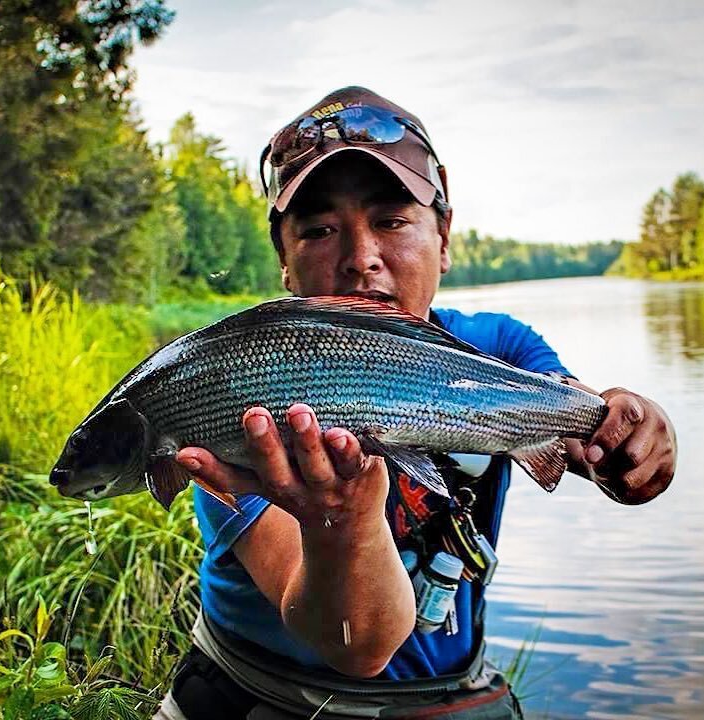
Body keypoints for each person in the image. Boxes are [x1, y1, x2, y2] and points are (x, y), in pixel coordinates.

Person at [153, 87, 676, 720]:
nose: (361, 259)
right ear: (285, 263)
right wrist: (341, 520)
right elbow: (356, 645)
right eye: (319, 230)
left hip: (448, 695)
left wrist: (635, 435)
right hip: (264, 696)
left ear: (444, 237)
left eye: (392, 220)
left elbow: (581, 430)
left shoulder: (498, 348)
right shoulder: (237, 392)